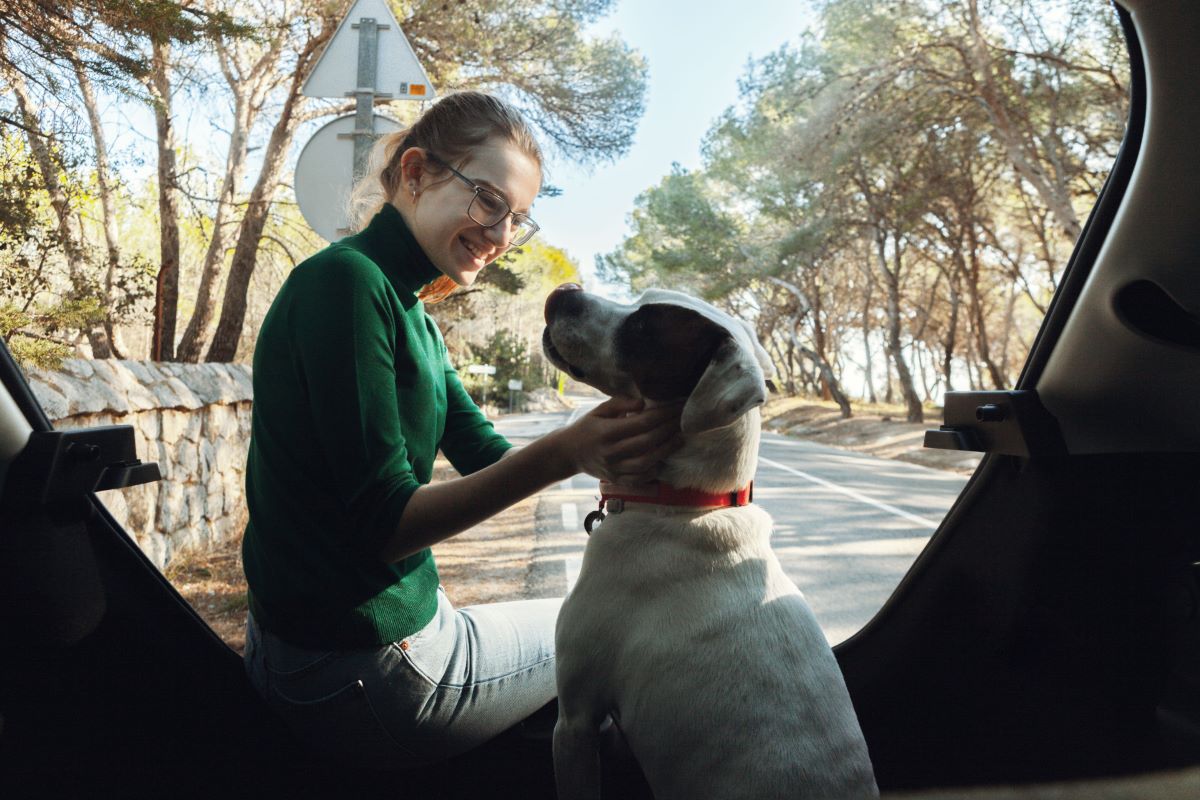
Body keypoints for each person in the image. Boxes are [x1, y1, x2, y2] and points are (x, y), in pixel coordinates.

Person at [240, 91, 680, 767]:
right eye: (489, 201)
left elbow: (485, 453)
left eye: (518, 221)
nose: (502, 236)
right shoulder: (347, 284)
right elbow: (385, 525)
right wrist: (569, 451)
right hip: (354, 669)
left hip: (343, 654)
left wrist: (607, 451)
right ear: (416, 173)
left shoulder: (410, 311)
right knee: (621, 632)